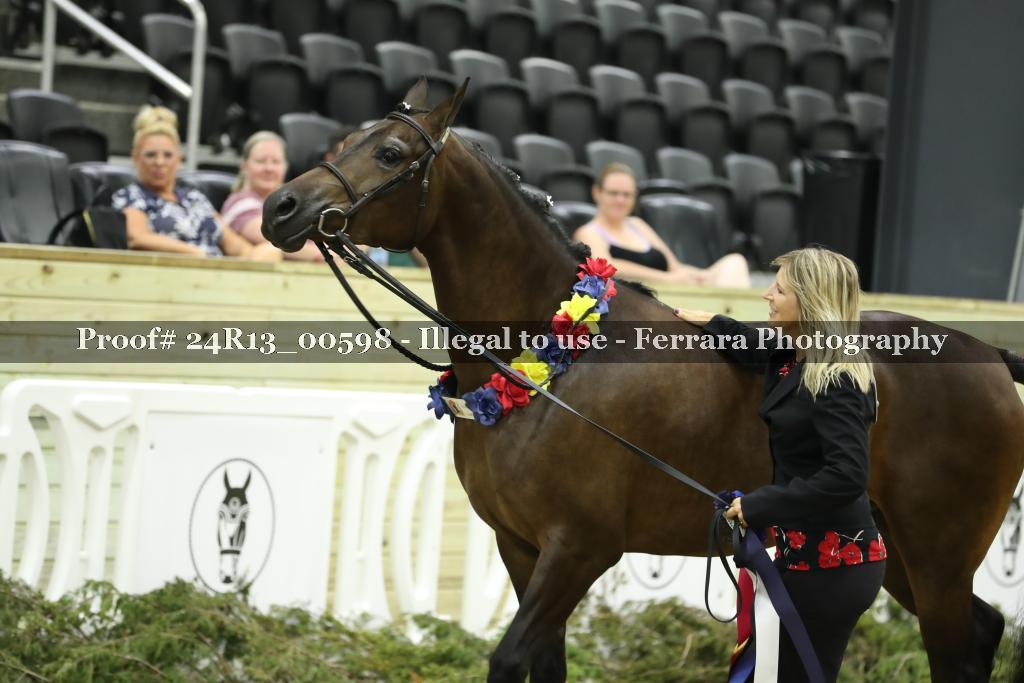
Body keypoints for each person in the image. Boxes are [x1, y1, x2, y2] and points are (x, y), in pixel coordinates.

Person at [675, 246, 884, 682]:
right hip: (803, 556)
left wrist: (760, 505)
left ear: (810, 302)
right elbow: (757, 346)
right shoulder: (794, 356)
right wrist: (711, 323)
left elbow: (847, 476)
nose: (767, 294)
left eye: (780, 289)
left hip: (833, 568)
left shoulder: (838, 377)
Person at [112, 106, 280, 261]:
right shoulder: (130, 196)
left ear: (179, 159)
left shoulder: (195, 198)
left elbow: (235, 247)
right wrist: (193, 253)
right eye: (150, 155)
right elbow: (137, 238)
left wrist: (262, 253)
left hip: (215, 270)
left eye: (168, 155)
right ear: (135, 158)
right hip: (173, 271)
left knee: (270, 251)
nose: (160, 162)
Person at [573, 163, 749, 287]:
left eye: (627, 195)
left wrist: (697, 277)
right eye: (613, 193)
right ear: (597, 192)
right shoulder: (588, 232)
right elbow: (607, 267)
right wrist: (666, 279)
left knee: (734, 262)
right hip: (637, 300)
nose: (620, 200)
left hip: (672, 291)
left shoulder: (637, 225)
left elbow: (675, 267)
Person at [221, 131, 322, 261]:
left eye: (276, 162)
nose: (269, 168)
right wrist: (326, 255)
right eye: (261, 161)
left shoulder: (299, 201)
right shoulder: (238, 203)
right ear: (244, 167)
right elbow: (279, 239)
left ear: (285, 167)